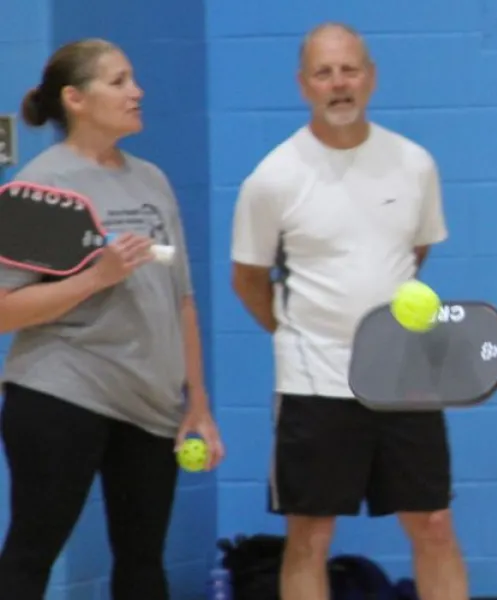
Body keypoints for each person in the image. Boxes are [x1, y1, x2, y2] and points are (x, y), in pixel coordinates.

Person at [228, 22, 465, 600]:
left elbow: (414, 253)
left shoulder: (414, 164)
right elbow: (248, 279)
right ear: (304, 84)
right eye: (324, 72)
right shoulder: (273, 177)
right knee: (309, 536)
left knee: (433, 524)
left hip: (404, 379)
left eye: (349, 70)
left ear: (372, 77)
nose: (338, 84)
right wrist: (299, 335)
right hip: (313, 381)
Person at [0, 38, 225, 600]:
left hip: (149, 404)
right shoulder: (41, 185)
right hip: (61, 391)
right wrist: (93, 279)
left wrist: (196, 403)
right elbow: (3, 311)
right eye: (120, 81)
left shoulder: (152, 181)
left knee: (143, 565)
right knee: (33, 550)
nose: (137, 91)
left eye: (134, 79)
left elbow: (182, 301)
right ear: (75, 98)